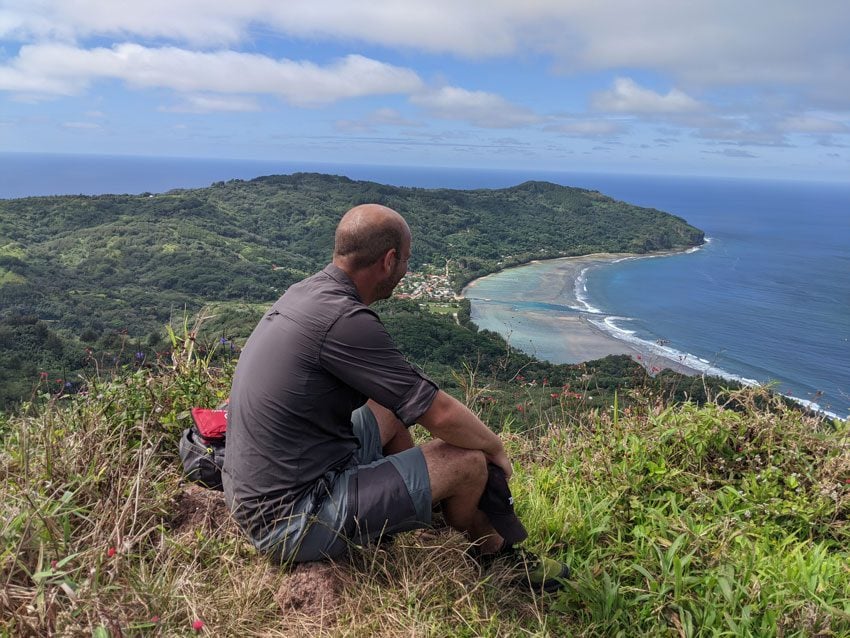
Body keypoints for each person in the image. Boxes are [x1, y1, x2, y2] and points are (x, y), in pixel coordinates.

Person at [222, 204, 568, 591]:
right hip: (292, 520)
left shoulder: (308, 292)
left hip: (258, 489)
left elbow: (407, 399)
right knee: (469, 460)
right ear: (389, 261)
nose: (406, 270)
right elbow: (438, 413)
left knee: (387, 403)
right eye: (406, 260)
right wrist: (496, 448)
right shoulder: (345, 321)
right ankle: (494, 554)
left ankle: (413, 503)